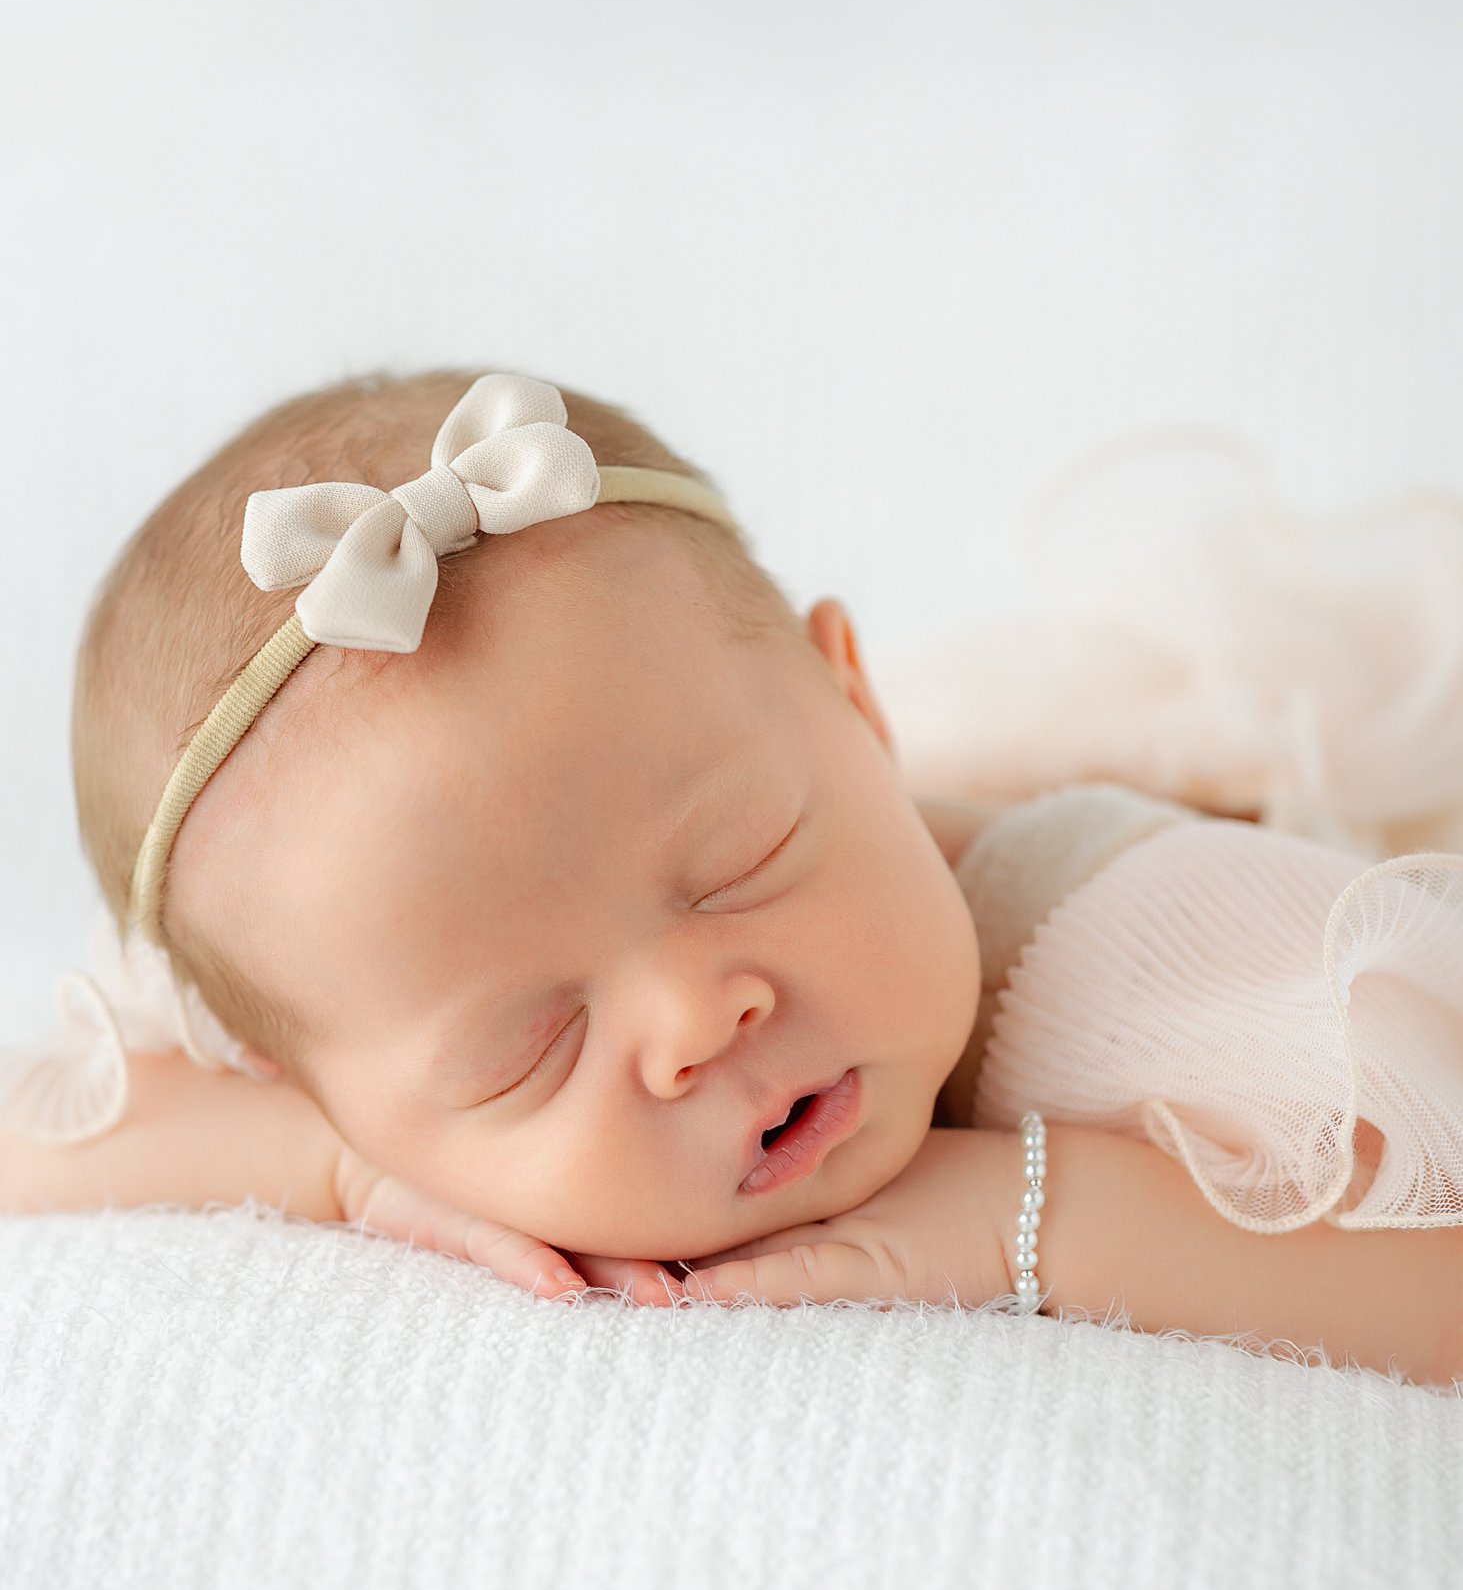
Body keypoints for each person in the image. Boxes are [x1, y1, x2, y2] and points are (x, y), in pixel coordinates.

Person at [2, 369, 1460, 1388]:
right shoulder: (363, 972)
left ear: (857, 706)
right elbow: (35, 1133)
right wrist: (345, 1169)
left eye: (736, 869)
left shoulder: (1140, 954)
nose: (698, 1020)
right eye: (530, 1046)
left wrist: (1028, 1212)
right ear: (300, 1073)